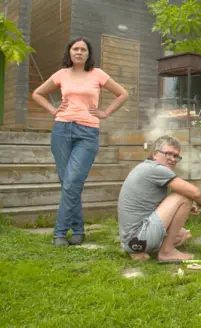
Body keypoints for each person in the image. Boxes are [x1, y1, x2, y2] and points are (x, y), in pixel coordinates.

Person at [32, 37, 129, 247]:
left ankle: (59, 233)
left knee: (72, 181)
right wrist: (52, 110)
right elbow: (37, 94)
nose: (79, 52)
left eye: (83, 49)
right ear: (69, 52)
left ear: (88, 54)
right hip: (61, 131)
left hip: (87, 132)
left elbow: (122, 94)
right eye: (75, 49)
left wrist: (105, 112)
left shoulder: (97, 74)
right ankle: (77, 229)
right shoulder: (61, 74)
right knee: (68, 183)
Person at [117, 135, 201, 262]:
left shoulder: (145, 167)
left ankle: (139, 251)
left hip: (131, 239)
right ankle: (167, 252)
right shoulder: (156, 170)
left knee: (183, 235)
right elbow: (195, 193)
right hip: (139, 235)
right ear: (154, 154)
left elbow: (153, 206)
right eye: (168, 154)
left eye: (176, 156)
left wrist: (185, 208)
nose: (173, 159)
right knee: (184, 197)